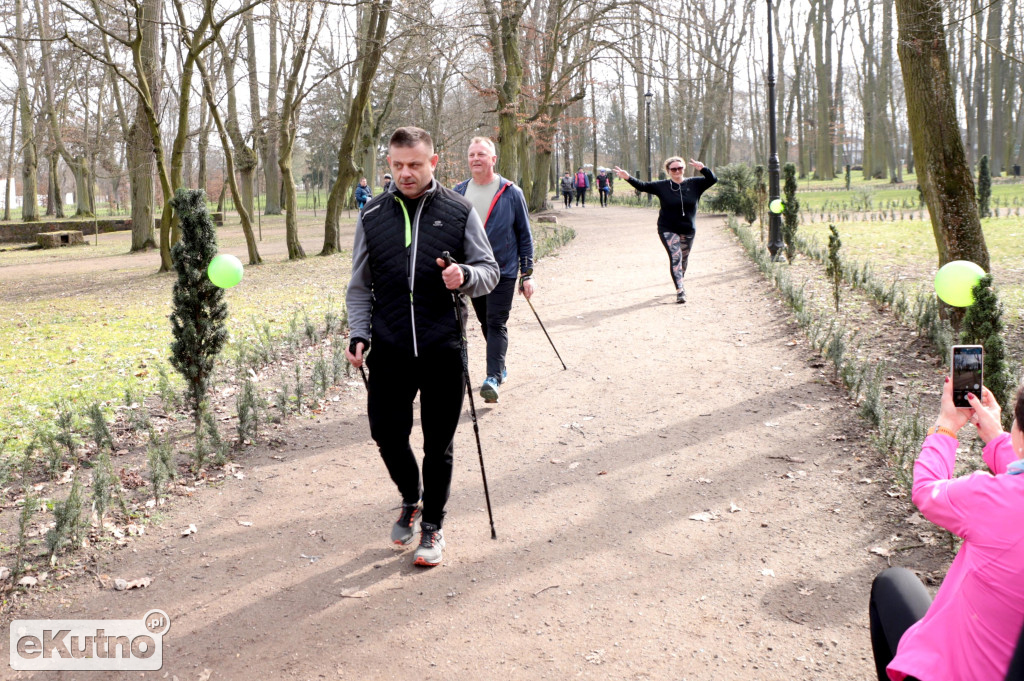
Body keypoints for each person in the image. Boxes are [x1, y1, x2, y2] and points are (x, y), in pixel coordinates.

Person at [346, 127, 499, 567]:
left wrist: (465, 276)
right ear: (388, 165)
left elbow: (489, 270)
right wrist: (360, 332)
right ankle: (411, 496)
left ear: (433, 162)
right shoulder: (371, 214)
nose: (405, 173)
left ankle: (432, 523)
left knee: (439, 443)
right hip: (390, 348)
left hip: (442, 347)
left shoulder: (458, 210)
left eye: (414, 164)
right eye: (397, 165)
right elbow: (359, 287)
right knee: (386, 432)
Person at [869, 378, 1024, 681]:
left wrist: (945, 427)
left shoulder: (991, 498)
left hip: (959, 672)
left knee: (892, 584)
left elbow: (926, 490)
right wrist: (998, 439)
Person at [454, 137, 535, 404]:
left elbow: (524, 234)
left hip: (503, 269)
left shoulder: (511, 192)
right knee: (484, 321)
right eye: (471, 154)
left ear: (493, 159)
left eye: (481, 154)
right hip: (473, 272)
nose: (475, 159)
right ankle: (499, 365)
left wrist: (527, 273)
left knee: (496, 321)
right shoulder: (458, 191)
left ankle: (492, 379)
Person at [613, 158, 717, 303]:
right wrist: (628, 177)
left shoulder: (695, 183)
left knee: (683, 259)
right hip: (668, 228)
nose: (677, 171)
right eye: (673, 169)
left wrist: (703, 168)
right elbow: (643, 186)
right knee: (676, 257)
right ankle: (680, 290)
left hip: (688, 229)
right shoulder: (662, 186)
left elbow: (712, 180)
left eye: (679, 168)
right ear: (668, 171)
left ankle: (679, 278)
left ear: (684, 168)